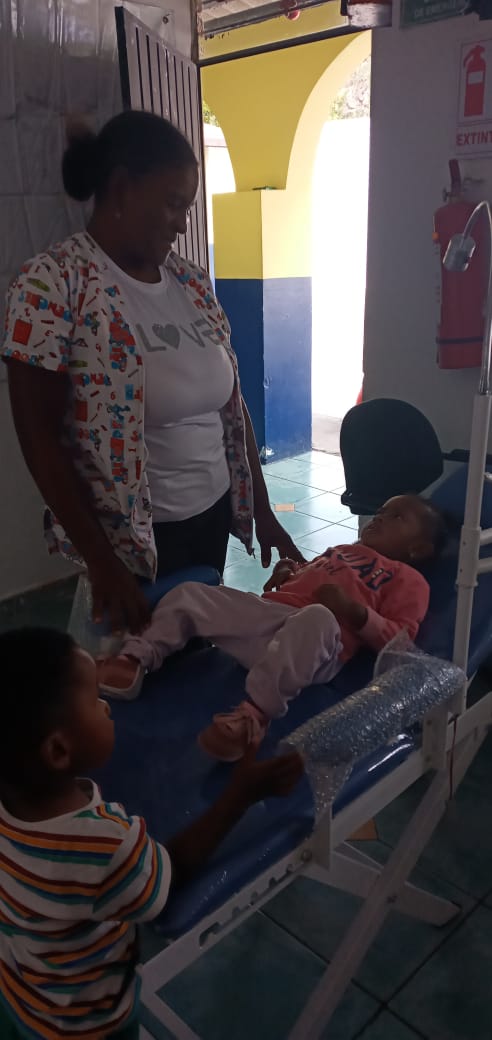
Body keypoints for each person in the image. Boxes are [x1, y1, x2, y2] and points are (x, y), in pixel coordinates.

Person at [2, 111, 302, 636]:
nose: (182, 224)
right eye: (172, 204)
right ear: (121, 189)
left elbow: (231, 408)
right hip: (129, 542)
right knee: (135, 665)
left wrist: (263, 509)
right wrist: (102, 560)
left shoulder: (192, 283)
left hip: (209, 516)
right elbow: (39, 439)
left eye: (187, 208)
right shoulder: (53, 284)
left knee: (196, 652)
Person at [0, 628, 303, 1040]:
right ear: (58, 751)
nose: (106, 707)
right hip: (85, 1028)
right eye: (95, 699)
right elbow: (164, 876)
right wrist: (240, 795)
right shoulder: (102, 845)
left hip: (22, 997)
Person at [99, 495, 448, 761]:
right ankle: (136, 658)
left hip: (316, 647)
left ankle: (253, 716)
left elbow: (400, 641)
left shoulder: (409, 579)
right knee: (193, 593)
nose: (379, 518)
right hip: (270, 619)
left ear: (418, 548)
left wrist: (353, 611)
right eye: (382, 511)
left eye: (396, 517)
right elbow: (307, 576)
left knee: (317, 617)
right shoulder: (343, 549)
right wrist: (288, 574)